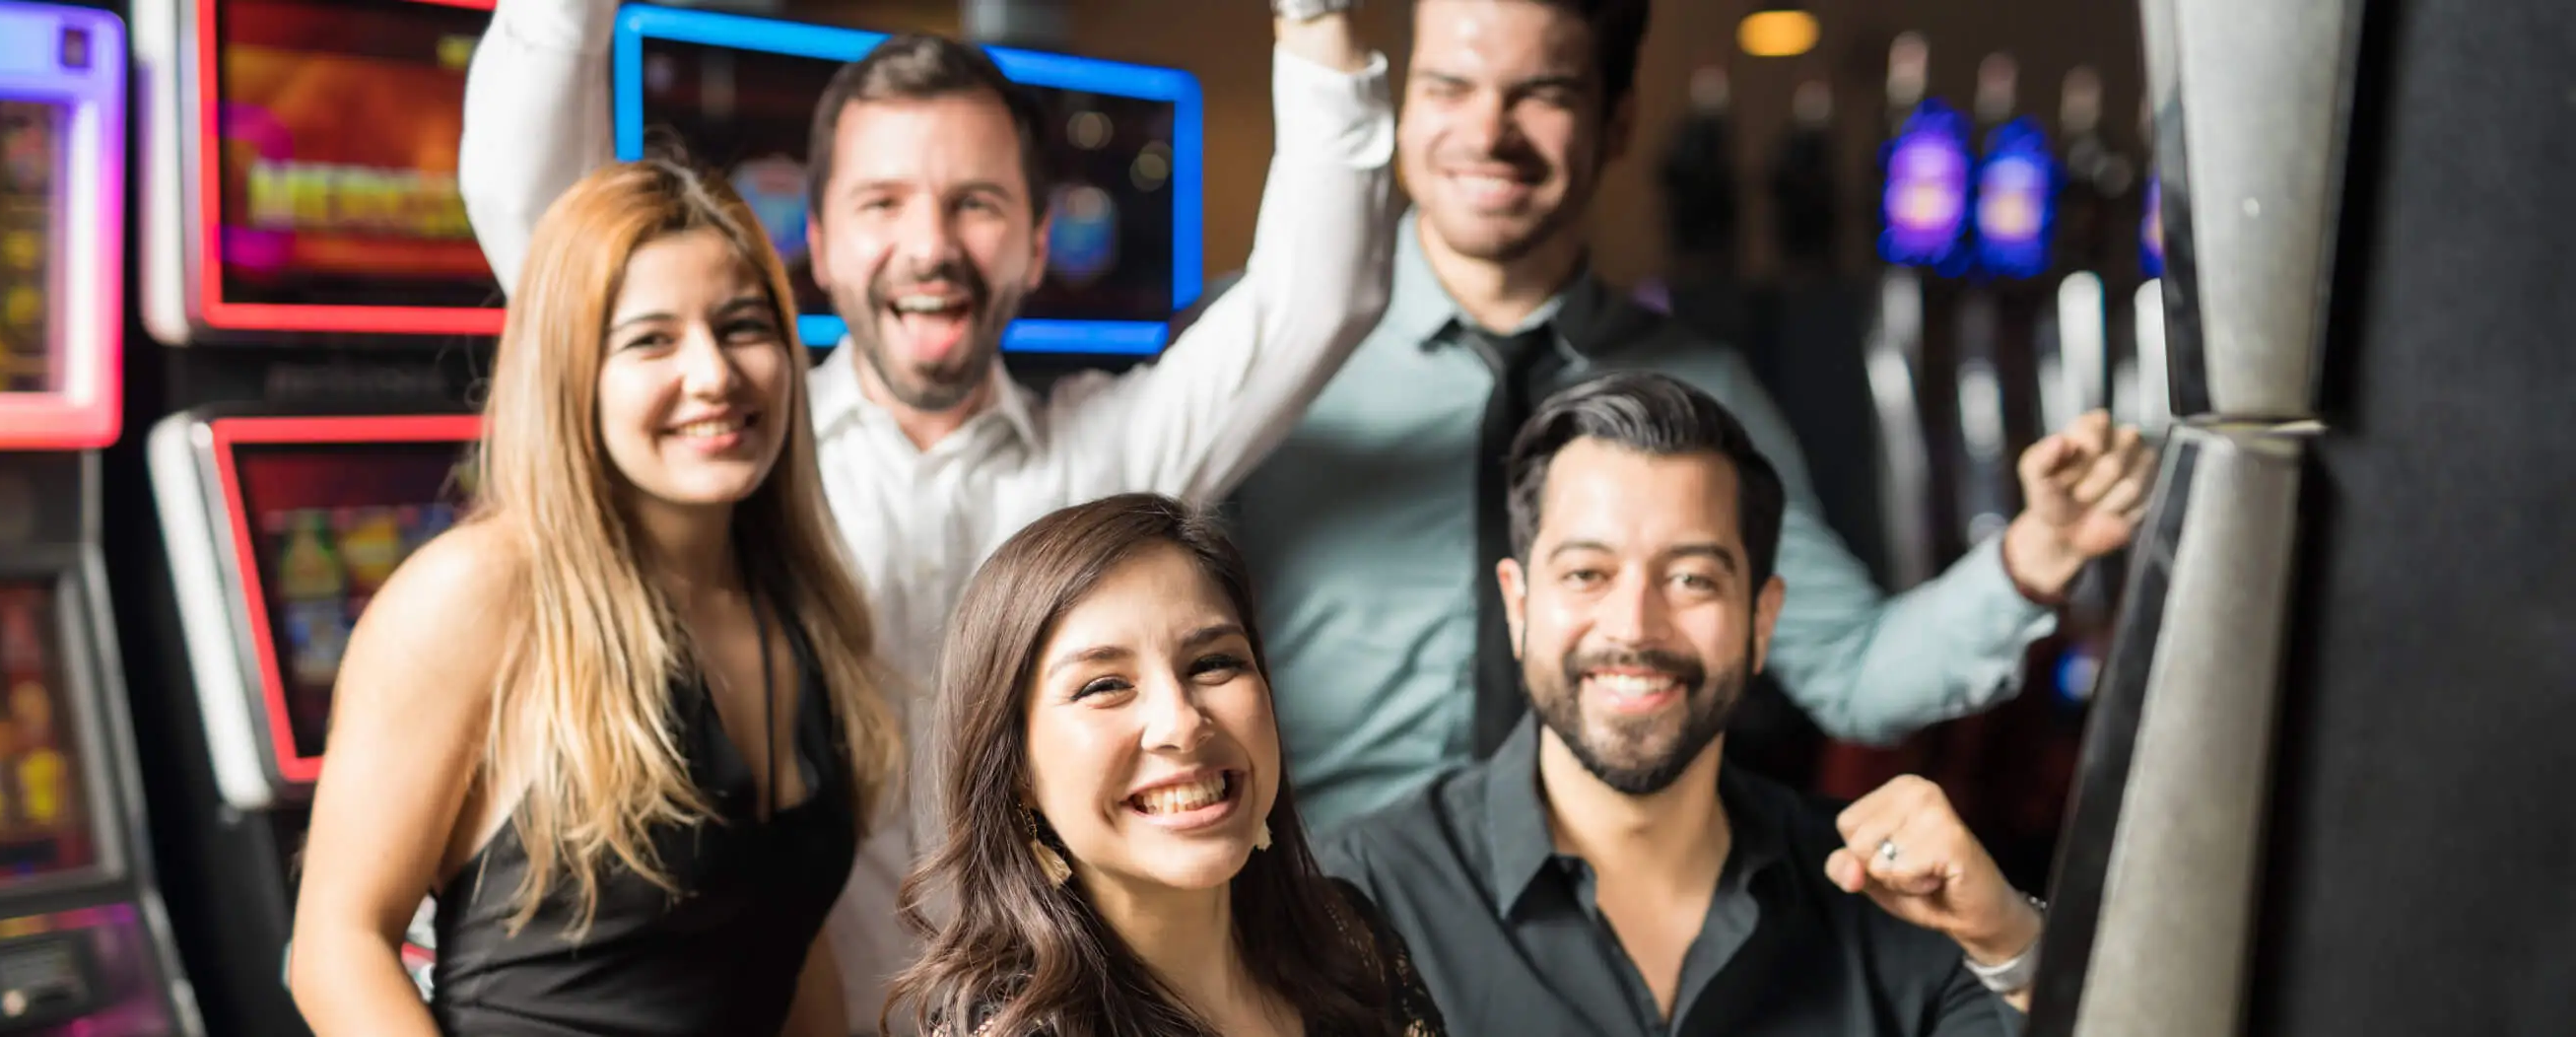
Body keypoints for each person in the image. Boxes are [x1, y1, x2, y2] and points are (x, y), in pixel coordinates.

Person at [459, 1, 1396, 1026]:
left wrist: (1316, 16)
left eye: (977, 203)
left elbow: (1321, 291)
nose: (930, 245)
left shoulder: (1116, 453)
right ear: (816, 238)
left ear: (1038, 241)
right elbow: (548, 229)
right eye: (883, 201)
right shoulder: (737, 447)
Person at [1225, 0, 2156, 829]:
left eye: (1540, 92)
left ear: (1617, 120)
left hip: (1587, 945)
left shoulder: (1703, 387)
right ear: (1403, 104)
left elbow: (1857, 676)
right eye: (1449, 86)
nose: (1488, 131)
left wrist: (2039, 553)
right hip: (1313, 922)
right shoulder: (1264, 349)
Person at [285, 160, 901, 1036]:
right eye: (651, 340)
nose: (714, 374)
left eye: (743, 326)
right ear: (575, 374)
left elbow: (791, 952)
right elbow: (338, 949)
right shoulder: (481, 591)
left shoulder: (802, 605)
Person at [1321, 373, 2046, 1035]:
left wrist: (2010, 940)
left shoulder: (1890, 905)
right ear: (1518, 606)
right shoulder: (1356, 896)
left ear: (1761, 621)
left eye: (1692, 579)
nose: (1635, 627)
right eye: (1586, 573)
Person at [891, 493, 1443, 1037]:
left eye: (1212, 663)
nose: (1181, 723)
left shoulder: (1349, 937)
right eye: (1104, 686)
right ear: (1016, 771)